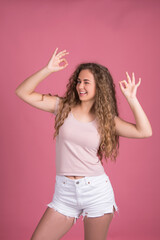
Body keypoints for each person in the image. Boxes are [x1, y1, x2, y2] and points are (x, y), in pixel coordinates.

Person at [15, 48, 152, 240]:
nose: (80, 86)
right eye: (78, 81)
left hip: (95, 191)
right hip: (64, 192)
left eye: (86, 82)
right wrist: (48, 69)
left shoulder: (107, 120)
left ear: (99, 87)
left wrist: (132, 99)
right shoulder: (62, 107)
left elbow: (144, 132)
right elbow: (22, 92)